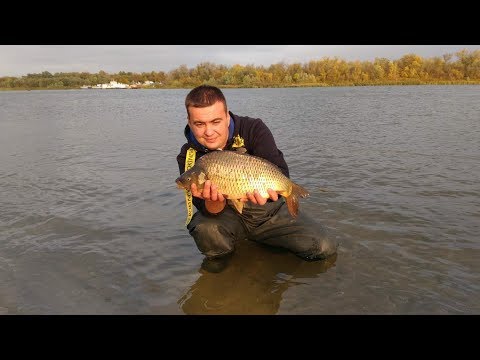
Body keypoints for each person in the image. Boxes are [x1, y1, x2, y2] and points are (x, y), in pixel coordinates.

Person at [177, 85, 338, 267]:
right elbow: (207, 210)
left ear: (227, 116)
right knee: (205, 228)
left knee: (325, 247)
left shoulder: (254, 129)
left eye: (215, 121)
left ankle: (265, 251)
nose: (209, 131)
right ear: (189, 122)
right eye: (199, 124)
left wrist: (271, 196)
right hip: (226, 216)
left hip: (267, 211)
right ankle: (226, 266)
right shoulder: (188, 157)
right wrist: (214, 200)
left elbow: (281, 174)